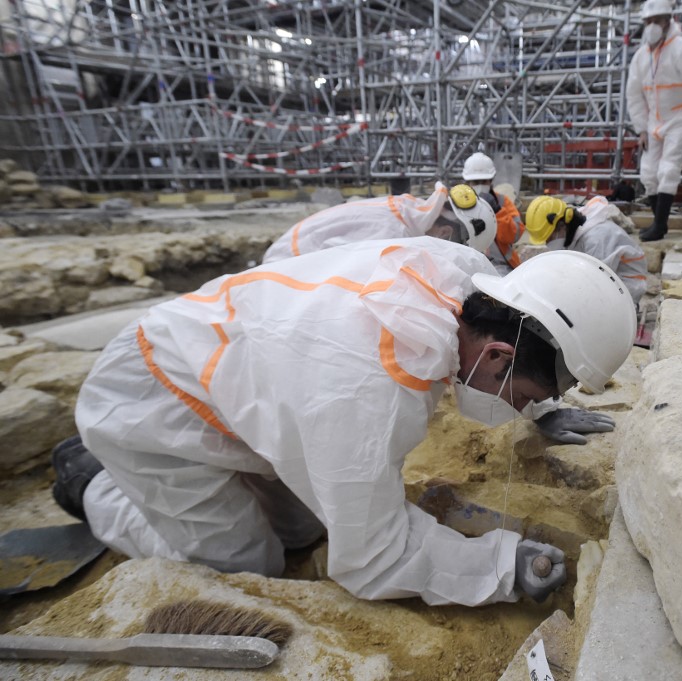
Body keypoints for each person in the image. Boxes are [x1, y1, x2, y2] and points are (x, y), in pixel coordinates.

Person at [52, 238, 637, 608]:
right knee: (249, 565)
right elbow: (370, 558)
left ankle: (203, 481)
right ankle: (95, 486)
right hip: (155, 402)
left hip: (247, 375)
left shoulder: (467, 282)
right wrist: (497, 567)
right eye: (524, 395)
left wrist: (543, 409)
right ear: (500, 359)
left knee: (304, 531)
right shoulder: (366, 388)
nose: (517, 408)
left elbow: (525, 349)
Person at [626, 0, 682, 242]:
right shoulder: (641, 56)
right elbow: (634, 94)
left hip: (679, 116)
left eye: (657, 20)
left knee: (668, 169)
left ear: (668, 20)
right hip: (654, 120)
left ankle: (659, 225)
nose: (652, 26)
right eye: (648, 21)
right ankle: (659, 223)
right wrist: (641, 129)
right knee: (648, 173)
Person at [262, 183, 497, 264]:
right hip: (282, 271)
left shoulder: (405, 212)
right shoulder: (393, 234)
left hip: (291, 263)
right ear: (446, 233)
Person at [524, 195, 648, 307]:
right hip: (604, 279)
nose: (548, 243)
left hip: (625, 287)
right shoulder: (574, 230)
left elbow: (595, 285)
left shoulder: (596, 239)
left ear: (562, 225)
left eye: (549, 238)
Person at [462, 152, 525, 274]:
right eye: (475, 182)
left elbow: (514, 236)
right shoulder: (458, 205)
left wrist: (497, 211)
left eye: (484, 181)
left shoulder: (502, 202)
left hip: (501, 265)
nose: (480, 186)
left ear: (491, 181)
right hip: (469, 264)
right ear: (467, 183)